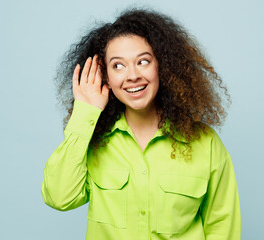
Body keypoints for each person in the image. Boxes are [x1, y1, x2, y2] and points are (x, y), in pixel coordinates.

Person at [41, 8, 240, 240]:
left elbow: (222, 226)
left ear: (162, 66)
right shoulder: (92, 141)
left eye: (143, 61)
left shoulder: (206, 143)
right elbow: (58, 197)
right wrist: (85, 112)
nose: (132, 75)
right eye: (118, 66)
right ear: (105, 77)